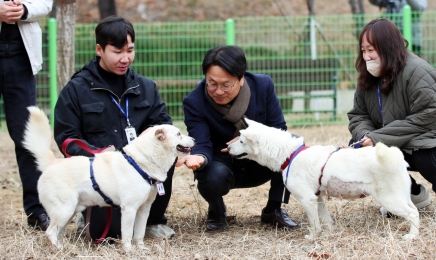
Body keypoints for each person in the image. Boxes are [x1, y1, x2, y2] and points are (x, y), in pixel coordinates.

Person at [54, 16, 175, 239]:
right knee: (107, 235)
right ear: (100, 49)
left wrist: (155, 138)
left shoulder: (145, 87)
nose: (125, 58)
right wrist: (97, 155)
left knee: (167, 154)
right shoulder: (77, 89)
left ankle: (153, 219)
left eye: (130, 50)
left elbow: (163, 124)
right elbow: (67, 138)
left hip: (141, 169)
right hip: (103, 176)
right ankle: (86, 213)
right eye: (117, 51)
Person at [176, 45, 300, 232]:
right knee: (210, 175)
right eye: (212, 83)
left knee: (292, 146)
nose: (218, 91)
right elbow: (201, 141)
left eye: (226, 85)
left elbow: (278, 129)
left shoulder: (263, 85)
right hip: (224, 164)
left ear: (241, 78)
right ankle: (216, 211)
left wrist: (247, 141)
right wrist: (199, 156)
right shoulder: (194, 102)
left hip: (261, 161)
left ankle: (273, 210)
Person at [348, 18, 436, 215]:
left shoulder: (417, 71)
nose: (366, 56)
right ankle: (411, 195)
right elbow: (358, 114)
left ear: (388, 47)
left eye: (371, 50)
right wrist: (365, 136)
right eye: (363, 50)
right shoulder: (367, 75)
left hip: (426, 138)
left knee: (423, 154)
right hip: (393, 140)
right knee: (361, 150)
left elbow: (430, 114)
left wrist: (379, 138)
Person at [0, 0, 53, 231]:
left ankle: (36, 210)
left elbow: (46, 3)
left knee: (27, 137)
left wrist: (24, 10)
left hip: (21, 59)